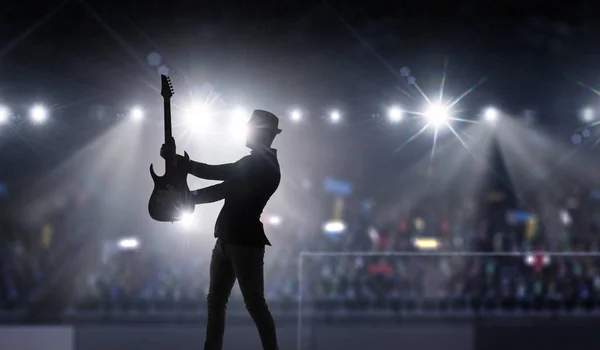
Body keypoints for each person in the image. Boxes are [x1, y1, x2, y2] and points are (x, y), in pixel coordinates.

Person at [160, 109, 281, 350]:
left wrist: (182, 169)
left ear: (262, 134)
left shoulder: (259, 165)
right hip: (231, 240)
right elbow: (222, 184)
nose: (245, 132)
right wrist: (184, 174)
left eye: (250, 128)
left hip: (242, 243)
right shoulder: (260, 163)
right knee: (224, 301)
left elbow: (220, 182)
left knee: (249, 304)